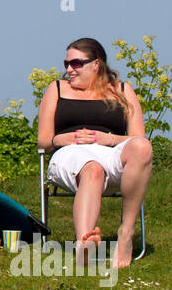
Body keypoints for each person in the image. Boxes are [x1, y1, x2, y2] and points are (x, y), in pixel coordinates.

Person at [36, 37, 152, 269]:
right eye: (67, 63)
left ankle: (126, 233)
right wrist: (63, 138)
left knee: (142, 147)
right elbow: (43, 141)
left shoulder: (122, 90)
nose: (69, 69)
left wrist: (109, 139)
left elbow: (138, 136)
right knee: (92, 168)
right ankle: (85, 243)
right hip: (70, 153)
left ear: (96, 64)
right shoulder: (57, 89)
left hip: (111, 152)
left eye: (77, 63)